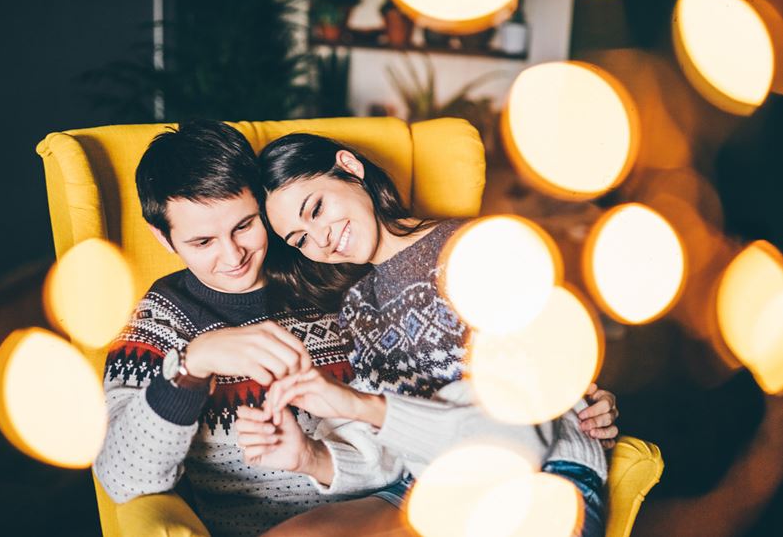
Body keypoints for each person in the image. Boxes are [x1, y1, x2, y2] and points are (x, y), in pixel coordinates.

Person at [93, 120, 619, 537]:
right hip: (374, 500)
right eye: (202, 242)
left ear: (262, 210)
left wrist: (567, 389)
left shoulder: (331, 288)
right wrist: (193, 364)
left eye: (245, 226)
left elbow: (493, 398)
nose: (232, 256)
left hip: (433, 484)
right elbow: (123, 475)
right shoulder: (165, 317)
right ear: (165, 240)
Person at [239, 133, 616, 537]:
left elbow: (526, 420)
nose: (321, 240)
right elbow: (384, 454)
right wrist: (308, 456)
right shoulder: (356, 309)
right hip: (423, 484)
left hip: (538, 472)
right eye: (300, 240)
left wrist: (589, 397)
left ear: (349, 167)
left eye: (316, 209)